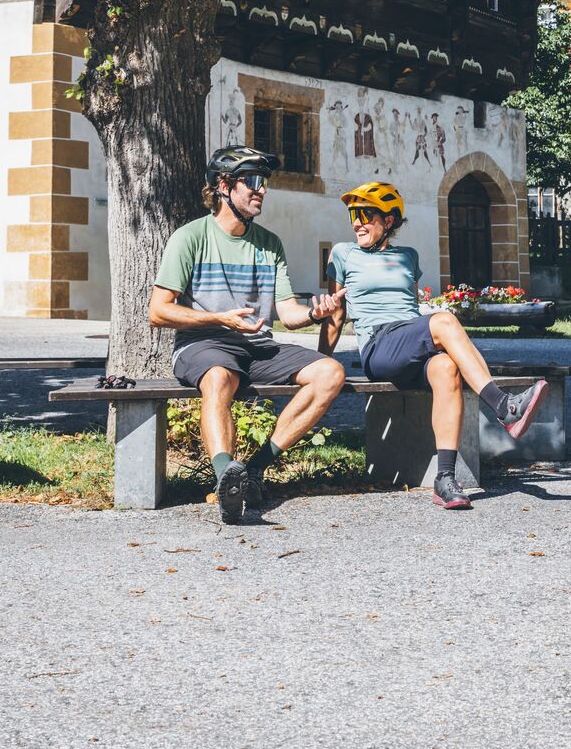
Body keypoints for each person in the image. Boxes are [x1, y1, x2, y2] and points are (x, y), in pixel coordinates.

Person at [321, 180, 547, 509]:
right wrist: (318, 363)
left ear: (389, 222)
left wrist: (425, 336)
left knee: (446, 368)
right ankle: (504, 407)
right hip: (378, 346)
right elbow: (336, 316)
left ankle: (444, 479)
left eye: (366, 214)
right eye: (354, 214)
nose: (357, 222)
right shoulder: (343, 254)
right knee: (442, 320)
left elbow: (409, 310)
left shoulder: (408, 258)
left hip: (408, 343)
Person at [149, 146, 345, 524]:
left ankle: (251, 471)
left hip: (257, 345)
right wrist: (220, 318)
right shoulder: (189, 237)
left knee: (330, 373)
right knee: (220, 377)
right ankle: (225, 473)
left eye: (264, 182)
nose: (262, 190)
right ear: (223, 186)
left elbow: (286, 314)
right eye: (252, 181)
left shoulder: (269, 244)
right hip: (203, 343)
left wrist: (315, 313)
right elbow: (158, 311)